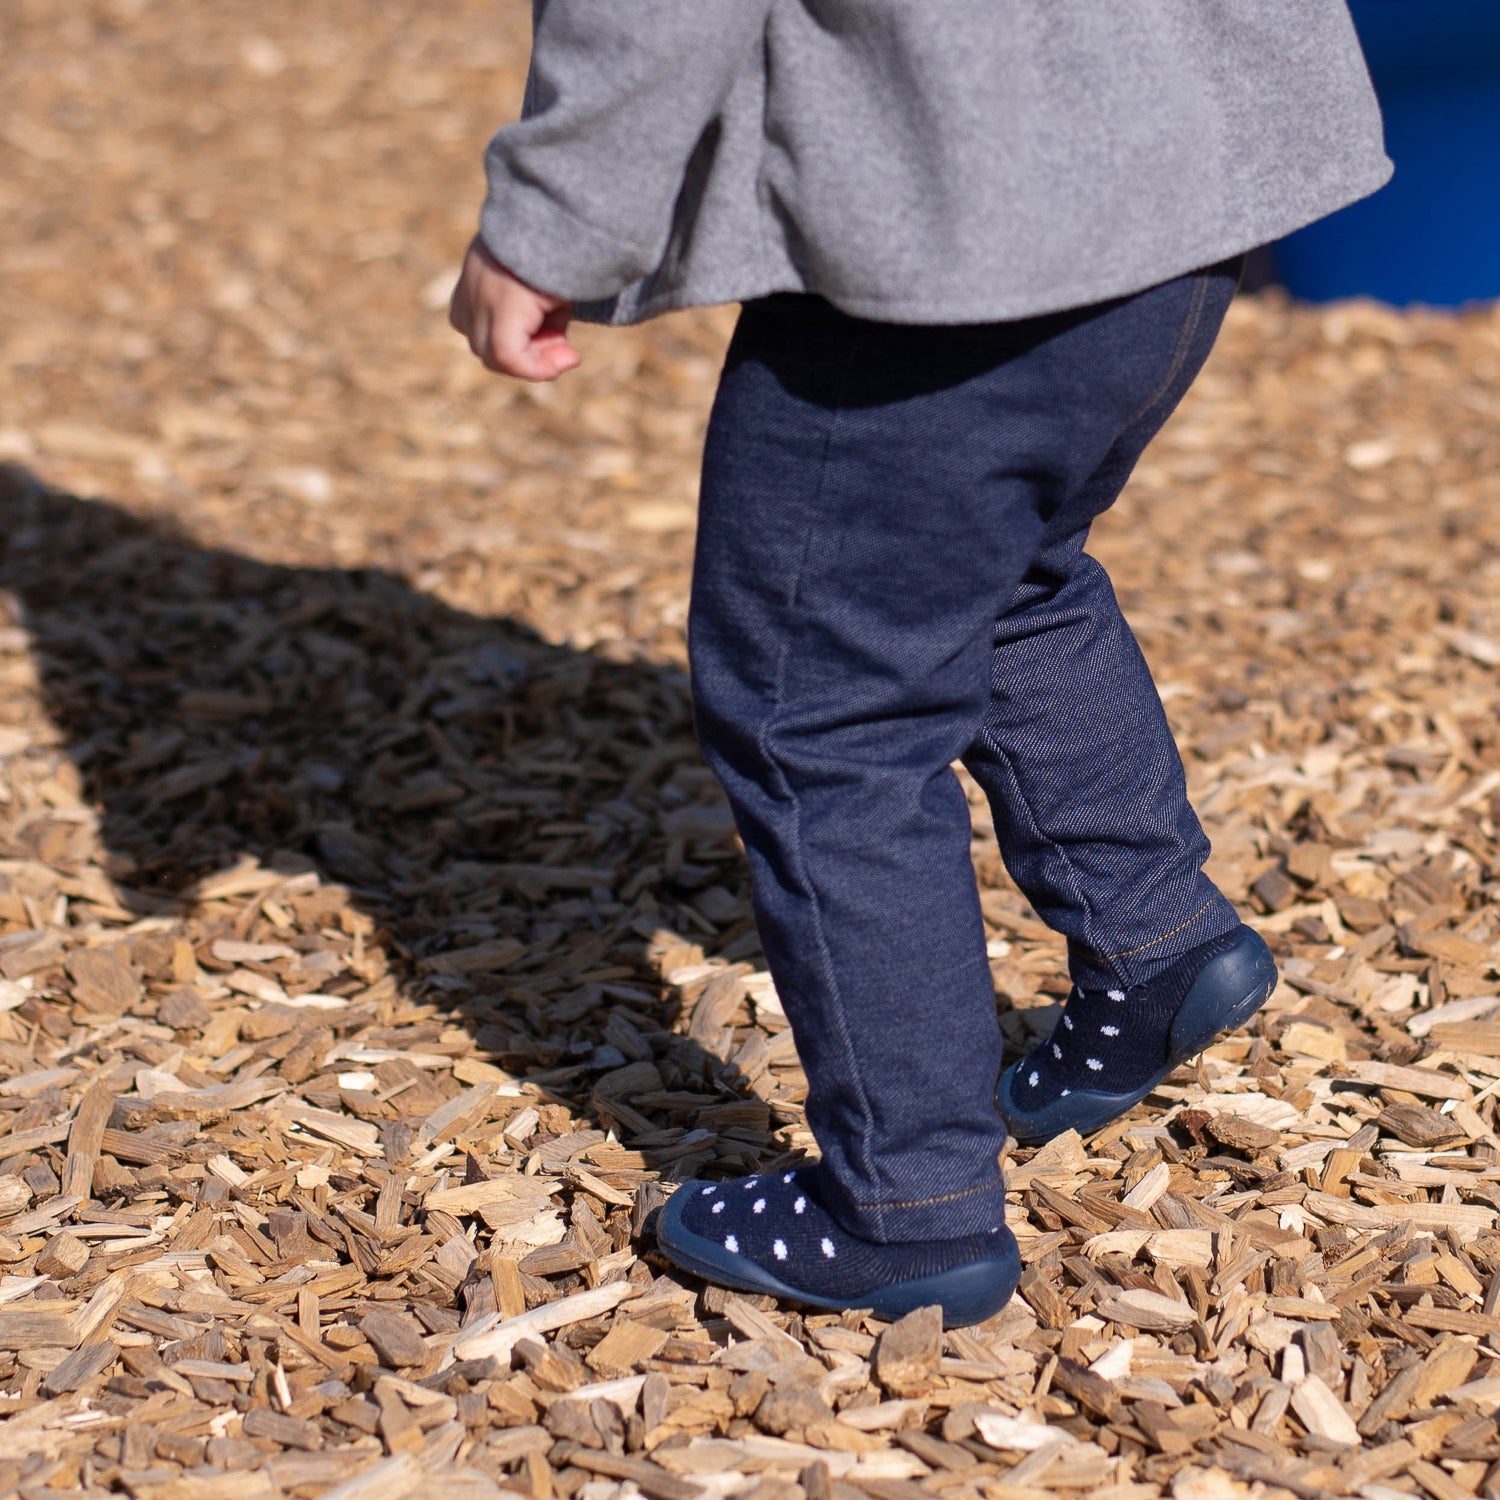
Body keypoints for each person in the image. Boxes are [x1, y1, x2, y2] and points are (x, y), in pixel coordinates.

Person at [449, 0, 1390, 1324]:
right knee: (1007, 571)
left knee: (820, 714)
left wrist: (550, 220)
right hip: (1185, 176)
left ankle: (907, 1212)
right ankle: (1159, 941)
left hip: (958, 216)